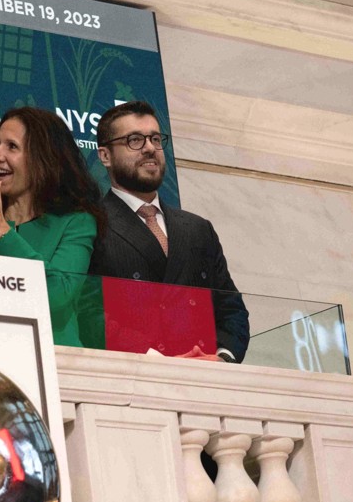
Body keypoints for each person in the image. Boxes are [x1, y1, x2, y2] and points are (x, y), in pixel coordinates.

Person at [87, 101, 249, 362]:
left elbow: (231, 309)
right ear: (105, 156)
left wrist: (221, 358)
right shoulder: (91, 223)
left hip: (205, 377)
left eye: (155, 139)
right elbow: (86, 311)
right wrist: (157, 361)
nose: (150, 148)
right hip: (132, 375)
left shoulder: (198, 229)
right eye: (134, 140)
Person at [0, 106, 103, 348]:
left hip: (55, 358)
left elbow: (57, 299)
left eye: (12, 146)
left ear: (44, 158)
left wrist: (2, 232)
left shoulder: (76, 223)